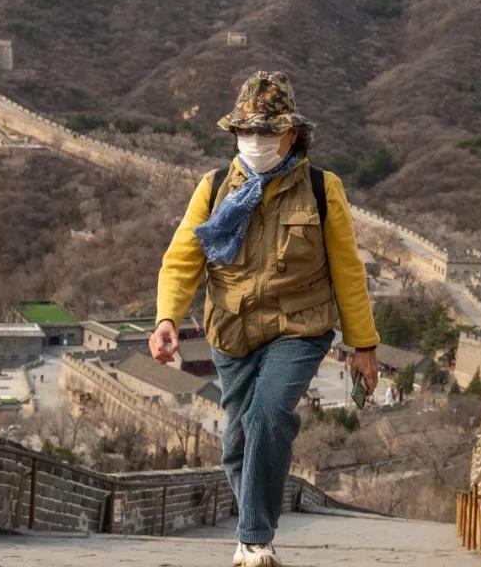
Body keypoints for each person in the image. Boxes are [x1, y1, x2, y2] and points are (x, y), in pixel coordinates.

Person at [150, 71, 380, 567]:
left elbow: (347, 270)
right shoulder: (215, 188)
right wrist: (168, 318)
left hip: (299, 327)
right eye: (246, 131)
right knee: (236, 442)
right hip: (231, 330)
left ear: (291, 135)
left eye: (266, 132)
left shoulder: (320, 189)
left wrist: (364, 346)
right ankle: (253, 528)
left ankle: (254, 539)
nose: (254, 141)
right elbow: (183, 258)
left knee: (267, 416)